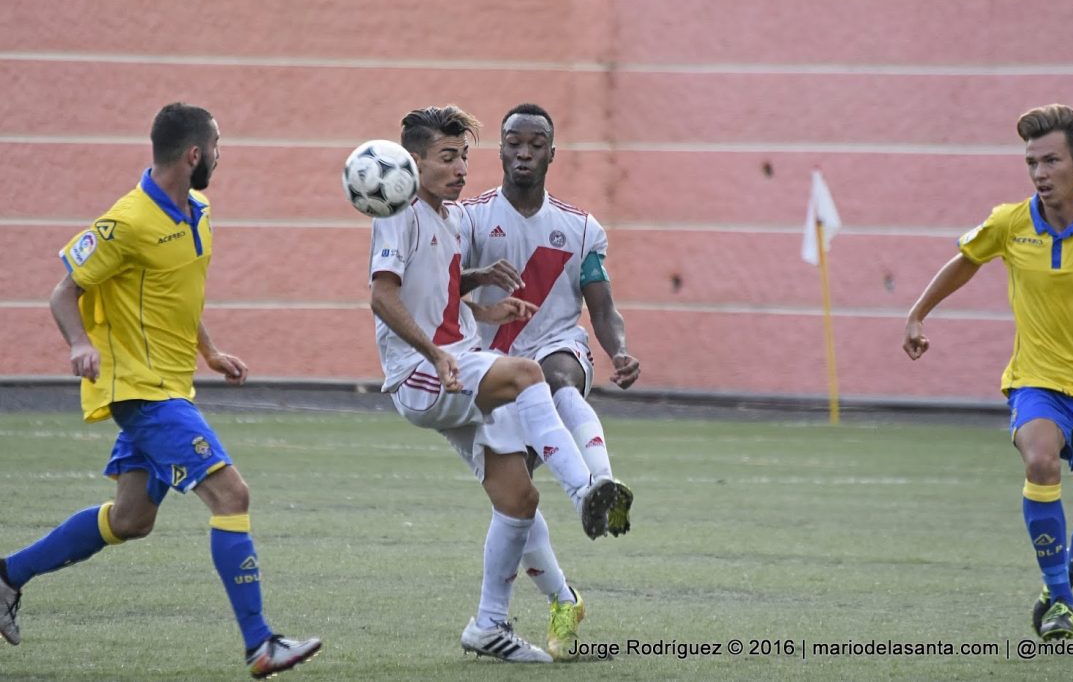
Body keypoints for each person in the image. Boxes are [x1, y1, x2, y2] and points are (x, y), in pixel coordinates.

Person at [0, 103, 321, 679]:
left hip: (172, 385)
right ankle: (260, 644)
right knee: (232, 496)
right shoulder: (126, 222)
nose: (221, 156)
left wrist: (209, 351)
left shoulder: (199, 211)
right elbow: (63, 292)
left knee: (130, 520)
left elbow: (179, 295)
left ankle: (7, 576)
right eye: (217, 146)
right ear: (194, 153)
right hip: (143, 392)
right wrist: (78, 343)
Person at [902, 104, 1073, 641]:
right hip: (1037, 381)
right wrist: (917, 313)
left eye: (1051, 161)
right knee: (1041, 461)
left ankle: (1062, 579)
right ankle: (1061, 601)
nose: (1040, 173)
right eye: (1032, 162)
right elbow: (967, 259)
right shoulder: (1011, 222)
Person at [369, 105, 624, 663]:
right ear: (413, 162)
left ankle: (490, 624)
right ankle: (587, 490)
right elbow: (382, 297)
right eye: (447, 158)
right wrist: (435, 353)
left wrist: (482, 297)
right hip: (425, 373)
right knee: (530, 373)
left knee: (518, 497)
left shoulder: (447, 219)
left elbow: (436, 294)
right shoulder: (400, 212)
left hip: (454, 362)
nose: (461, 169)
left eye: (464, 156)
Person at [458, 103, 639, 655]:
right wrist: (477, 287)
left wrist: (619, 351)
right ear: (500, 151)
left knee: (559, 378)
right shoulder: (470, 219)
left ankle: (600, 486)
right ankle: (563, 599)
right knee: (516, 500)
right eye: (514, 143)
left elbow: (601, 306)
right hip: (491, 372)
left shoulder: (581, 229)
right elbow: (442, 287)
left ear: (551, 154)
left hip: (557, 345)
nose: (524, 153)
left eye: (535, 145)